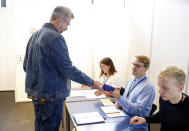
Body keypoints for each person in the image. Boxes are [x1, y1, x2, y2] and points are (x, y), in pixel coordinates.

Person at [23, 6, 102, 131]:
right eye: (67, 24)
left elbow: (26, 66)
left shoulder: (35, 35)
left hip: (36, 94)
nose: (66, 28)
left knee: (39, 125)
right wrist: (91, 83)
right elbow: (68, 69)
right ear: (60, 20)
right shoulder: (56, 38)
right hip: (51, 97)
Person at [130, 66, 189, 131]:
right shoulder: (164, 98)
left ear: (180, 88)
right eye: (160, 86)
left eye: (165, 88)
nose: (160, 91)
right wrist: (145, 119)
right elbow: (162, 115)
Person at [112, 55, 155, 130]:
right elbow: (125, 98)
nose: (134, 67)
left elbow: (138, 112)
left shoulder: (148, 87)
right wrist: (118, 102)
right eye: (133, 64)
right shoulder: (131, 80)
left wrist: (120, 99)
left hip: (136, 125)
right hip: (124, 118)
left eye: (138, 66)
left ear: (146, 68)